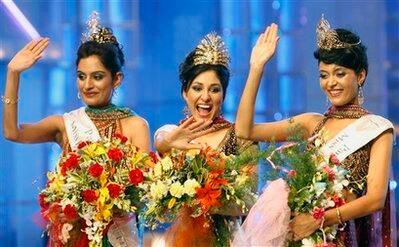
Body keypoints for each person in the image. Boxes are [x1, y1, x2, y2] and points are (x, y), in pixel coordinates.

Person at [235, 19, 396, 246]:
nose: (331, 82)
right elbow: (245, 130)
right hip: (303, 236)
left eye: (339, 74)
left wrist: (317, 220)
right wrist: (257, 67)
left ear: (360, 76)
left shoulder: (378, 128)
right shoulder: (313, 123)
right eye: (324, 75)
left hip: (343, 237)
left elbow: (375, 200)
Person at [2, 12, 150, 246]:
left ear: (117, 79)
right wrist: (13, 73)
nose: (87, 85)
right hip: (73, 237)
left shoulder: (135, 125)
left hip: (116, 238)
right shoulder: (65, 123)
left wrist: (99, 201)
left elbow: (142, 194)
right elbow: (12, 132)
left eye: (97, 77)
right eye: (81, 76)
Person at [153, 32, 257, 247]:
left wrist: (202, 196)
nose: (205, 98)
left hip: (230, 239)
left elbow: (248, 201)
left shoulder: (240, 137)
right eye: (197, 88)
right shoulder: (174, 134)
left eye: (214, 89)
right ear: (185, 92)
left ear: (224, 95)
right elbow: (160, 140)